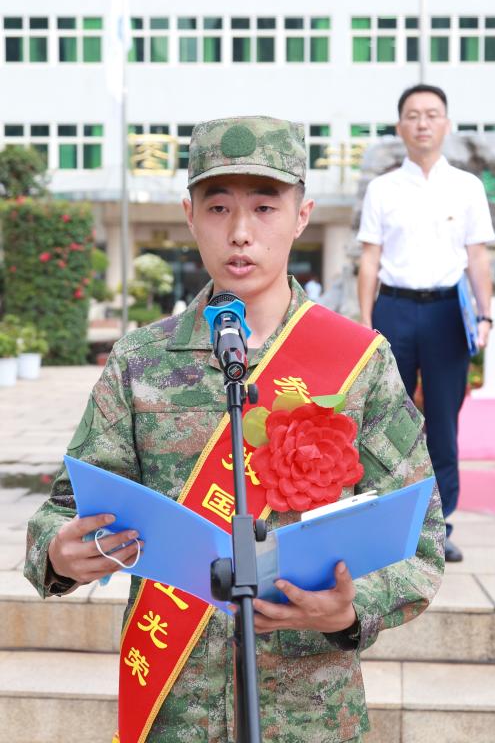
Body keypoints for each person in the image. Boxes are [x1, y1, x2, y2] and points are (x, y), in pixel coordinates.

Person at [23, 116, 445, 742]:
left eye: (265, 207)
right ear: (190, 216)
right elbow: (66, 509)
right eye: (218, 207)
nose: (241, 232)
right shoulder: (141, 361)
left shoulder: (360, 360)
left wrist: (351, 608)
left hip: (310, 708)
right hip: (175, 705)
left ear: (302, 215)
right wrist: (59, 552)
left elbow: (421, 536)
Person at [357, 83, 495, 564]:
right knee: (386, 419)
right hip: (394, 309)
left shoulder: (467, 186)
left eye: (431, 114)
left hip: (446, 314)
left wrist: (485, 315)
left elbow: (478, 256)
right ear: (400, 126)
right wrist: (366, 323)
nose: (422, 123)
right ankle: (385, 524)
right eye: (413, 115)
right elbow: (369, 260)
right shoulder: (383, 189)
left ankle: (440, 526)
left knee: (443, 422)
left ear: (446, 124)